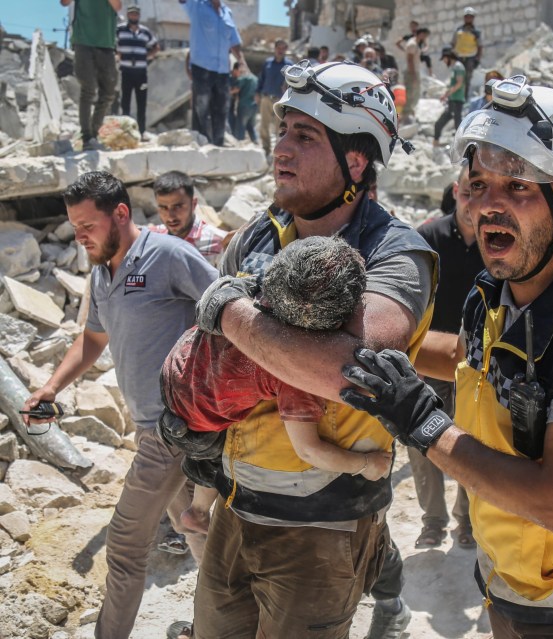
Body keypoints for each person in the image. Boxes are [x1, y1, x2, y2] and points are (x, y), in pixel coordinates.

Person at [341, 77, 553, 637]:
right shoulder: (497, 293)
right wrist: (389, 343)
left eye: (518, 186)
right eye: (480, 183)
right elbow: (475, 364)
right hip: (511, 577)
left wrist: (420, 421)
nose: (489, 206)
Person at [158, 60, 433, 639]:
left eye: (304, 136)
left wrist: (228, 310)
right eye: (282, 130)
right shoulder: (259, 234)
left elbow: (349, 371)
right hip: (236, 510)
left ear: (356, 160)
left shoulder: (394, 254)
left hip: (323, 527)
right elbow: (212, 355)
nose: (280, 147)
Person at [22, 171, 218, 639]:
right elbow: (93, 338)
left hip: (175, 427)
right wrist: (51, 387)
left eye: (87, 225)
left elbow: (230, 308)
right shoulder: (101, 271)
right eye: (74, 226)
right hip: (146, 428)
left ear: (121, 214)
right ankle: (224, 621)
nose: (79, 235)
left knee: (126, 547)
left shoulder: (168, 255)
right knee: (195, 527)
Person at [164, 236, 392, 534]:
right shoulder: (294, 370)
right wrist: (366, 464)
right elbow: (309, 451)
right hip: (197, 411)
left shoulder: (252, 296)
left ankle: (195, 510)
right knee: (212, 456)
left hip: (177, 364)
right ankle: (196, 512)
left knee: (203, 448)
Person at [407, 167, 481, 549]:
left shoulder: (497, 240)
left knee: (473, 443)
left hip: (477, 366)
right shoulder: (428, 237)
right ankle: (433, 521)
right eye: (469, 191)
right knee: (421, 441)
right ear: (456, 191)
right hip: (426, 360)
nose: (473, 202)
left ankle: (466, 522)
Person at [179, 0, 244, 147]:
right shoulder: (196, 5)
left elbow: (234, 41)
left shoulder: (227, 13)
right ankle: (201, 143)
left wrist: (242, 61)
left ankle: (218, 144)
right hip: (202, 67)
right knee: (201, 108)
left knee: (221, 109)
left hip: (222, 70)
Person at [62, 0, 121, 151]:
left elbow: (118, 6)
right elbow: (64, 2)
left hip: (106, 43)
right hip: (84, 42)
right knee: (88, 89)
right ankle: (87, 137)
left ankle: (94, 134)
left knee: (108, 92)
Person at [150, 171, 227, 266]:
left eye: (177, 206)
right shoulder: (150, 239)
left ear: (193, 204)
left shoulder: (220, 242)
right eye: (163, 207)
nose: (170, 217)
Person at [115, 5, 157, 136]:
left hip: (141, 73)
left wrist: (146, 56)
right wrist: (117, 54)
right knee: (125, 102)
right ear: (128, 15)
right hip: (126, 72)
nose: (134, 16)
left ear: (139, 15)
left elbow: (156, 46)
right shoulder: (120, 29)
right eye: (131, 14)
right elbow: (112, 43)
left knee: (141, 103)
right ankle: (125, 131)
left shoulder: (145, 32)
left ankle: (142, 131)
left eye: (136, 14)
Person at [257, 38, 293, 157]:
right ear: (275, 48)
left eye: (283, 48)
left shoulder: (289, 65)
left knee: (280, 128)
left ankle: (278, 152)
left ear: (286, 50)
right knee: (264, 125)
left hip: (281, 101)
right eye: (279, 47)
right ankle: (266, 149)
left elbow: (293, 83)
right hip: (266, 98)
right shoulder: (267, 63)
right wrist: (257, 92)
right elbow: (261, 79)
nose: (280, 50)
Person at [432, 47, 465, 150]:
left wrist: (448, 93)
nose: (445, 61)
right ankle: (436, 141)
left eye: (445, 58)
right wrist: (447, 94)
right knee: (443, 121)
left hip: (457, 100)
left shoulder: (458, 67)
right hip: (452, 99)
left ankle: (461, 146)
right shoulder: (455, 67)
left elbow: (459, 83)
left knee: (457, 123)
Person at [401, 27, 429, 125]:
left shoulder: (416, 43)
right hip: (410, 72)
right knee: (410, 93)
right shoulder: (412, 44)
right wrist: (413, 75)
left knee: (415, 93)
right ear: (420, 34)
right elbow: (409, 60)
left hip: (414, 71)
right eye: (424, 35)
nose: (425, 37)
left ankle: (410, 112)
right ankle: (406, 115)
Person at [450, 6, 481, 97]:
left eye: (470, 17)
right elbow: (453, 43)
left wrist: (477, 59)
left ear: (473, 18)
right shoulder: (458, 30)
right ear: (464, 18)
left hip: (470, 58)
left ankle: (464, 98)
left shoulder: (476, 32)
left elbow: (480, 46)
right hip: (458, 57)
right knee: (457, 78)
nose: (468, 18)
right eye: (467, 16)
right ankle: (454, 98)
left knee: (467, 79)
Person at [230, 61, 258, 142]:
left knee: (241, 127)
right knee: (251, 126)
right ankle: (255, 142)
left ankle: (240, 144)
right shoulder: (255, 78)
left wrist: (227, 92)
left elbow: (236, 89)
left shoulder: (243, 78)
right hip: (254, 106)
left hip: (244, 105)